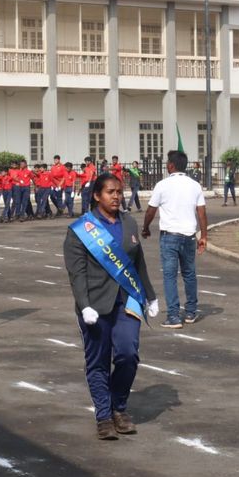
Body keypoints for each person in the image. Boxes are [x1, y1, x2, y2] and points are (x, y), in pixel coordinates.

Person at [63, 172, 158, 440]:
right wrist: (84, 305)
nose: (117, 196)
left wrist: (150, 295)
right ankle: (104, 416)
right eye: (110, 192)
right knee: (98, 361)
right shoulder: (81, 230)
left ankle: (119, 407)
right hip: (95, 304)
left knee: (128, 354)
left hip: (127, 300)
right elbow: (76, 273)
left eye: (120, 191)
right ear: (96, 195)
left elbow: (138, 263)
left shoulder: (128, 222)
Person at [142, 150, 207, 329]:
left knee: (170, 276)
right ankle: (191, 311)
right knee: (189, 274)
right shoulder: (194, 185)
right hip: (189, 235)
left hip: (170, 236)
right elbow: (201, 212)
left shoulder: (162, 185)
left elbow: (150, 210)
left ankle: (173, 316)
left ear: (170, 165)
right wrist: (204, 236)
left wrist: (145, 228)